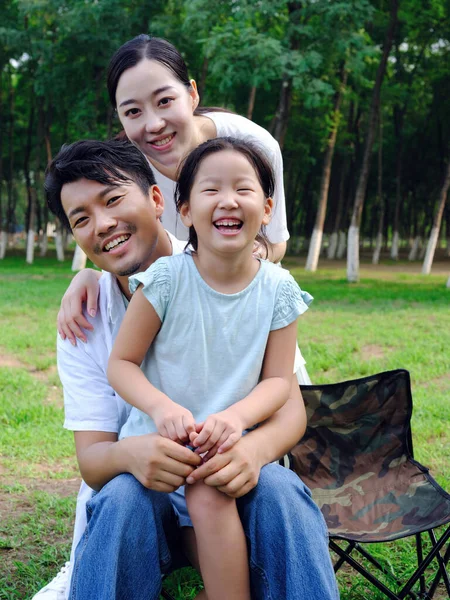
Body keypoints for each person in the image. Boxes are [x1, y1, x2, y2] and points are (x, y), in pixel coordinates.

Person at [36, 137, 339, 600]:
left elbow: (286, 395)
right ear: (187, 206)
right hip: (144, 489)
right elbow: (96, 454)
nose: (103, 224)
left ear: (160, 202)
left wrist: (251, 447)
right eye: (82, 219)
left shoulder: (268, 284)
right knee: (120, 499)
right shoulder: (108, 307)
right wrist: (139, 446)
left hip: (228, 470)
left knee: (278, 492)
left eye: (114, 199)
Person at [107, 137, 313, 600]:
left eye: (243, 189)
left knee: (210, 495)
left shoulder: (279, 290)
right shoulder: (165, 279)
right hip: (157, 461)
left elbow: (280, 381)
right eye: (210, 189)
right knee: (184, 497)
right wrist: (161, 408)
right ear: (184, 207)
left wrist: (237, 419)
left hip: (225, 463)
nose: (228, 200)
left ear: (266, 207)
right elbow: (121, 364)